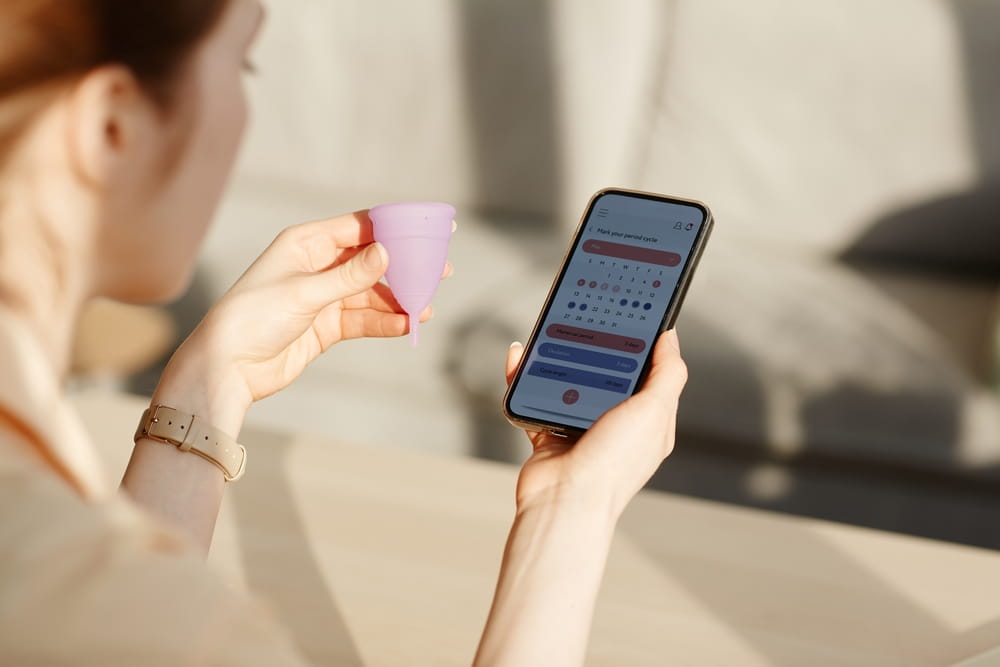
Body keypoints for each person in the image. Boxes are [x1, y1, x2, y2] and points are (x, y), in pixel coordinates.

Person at [0, 1, 688, 665]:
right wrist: (572, 505)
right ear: (111, 126)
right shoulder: (83, 577)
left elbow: (123, 629)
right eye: (244, 66)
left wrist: (216, 376)